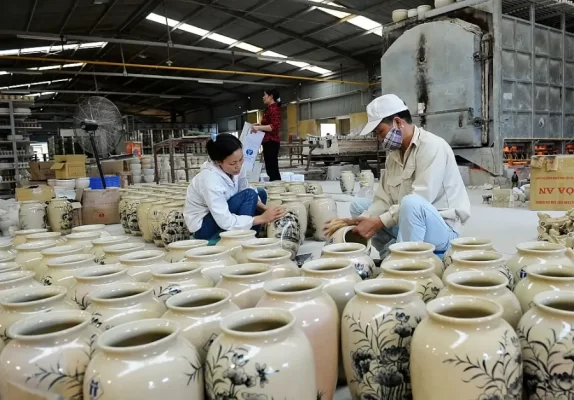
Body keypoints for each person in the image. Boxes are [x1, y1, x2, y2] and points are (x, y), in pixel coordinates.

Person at [327, 94, 471, 258]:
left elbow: (421, 197)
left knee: (411, 203)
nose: (379, 138)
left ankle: (406, 262)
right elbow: (383, 199)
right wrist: (361, 219)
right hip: (409, 221)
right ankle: (389, 254)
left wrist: (378, 222)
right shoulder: (393, 156)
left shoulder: (432, 147)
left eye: (380, 131)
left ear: (397, 122)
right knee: (359, 206)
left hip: (443, 229)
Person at [184, 133, 284, 241]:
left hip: (222, 213)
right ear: (218, 162)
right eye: (233, 163)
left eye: (241, 159)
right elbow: (225, 221)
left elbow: (244, 188)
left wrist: (266, 209)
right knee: (249, 195)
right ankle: (242, 239)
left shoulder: (237, 168)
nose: (239, 166)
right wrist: (261, 218)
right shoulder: (210, 180)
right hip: (204, 227)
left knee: (259, 192)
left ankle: (252, 235)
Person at [252, 88, 282, 181]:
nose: (263, 97)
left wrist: (259, 128)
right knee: (270, 167)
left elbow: (273, 127)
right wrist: (259, 125)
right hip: (267, 141)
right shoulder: (269, 109)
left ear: (271, 96)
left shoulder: (274, 109)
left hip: (272, 141)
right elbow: (268, 125)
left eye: (265, 95)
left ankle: (277, 186)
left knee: (272, 168)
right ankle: (275, 185)